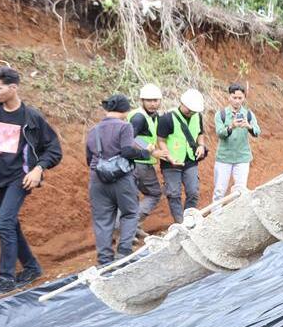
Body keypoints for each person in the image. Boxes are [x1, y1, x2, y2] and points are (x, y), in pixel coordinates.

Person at [0, 67, 62, 296]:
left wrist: (38, 170)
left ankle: (6, 278)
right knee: (11, 224)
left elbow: (53, 149)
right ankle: (31, 267)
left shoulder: (31, 117)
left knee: (3, 224)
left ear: (13, 88)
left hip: (21, 177)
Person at [86, 94, 150, 267]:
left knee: (102, 220)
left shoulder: (94, 130)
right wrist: (145, 153)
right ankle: (123, 254)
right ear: (125, 110)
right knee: (129, 213)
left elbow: (88, 159)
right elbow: (127, 152)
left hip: (97, 179)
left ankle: (104, 261)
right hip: (121, 178)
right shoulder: (125, 126)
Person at [155, 88, 208, 223]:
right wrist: (169, 157)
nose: (191, 113)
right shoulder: (167, 118)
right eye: (189, 109)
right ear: (182, 103)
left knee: (193, 192)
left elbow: (200, 133)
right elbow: (161, 140)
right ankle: (180, 222)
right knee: (173, 194)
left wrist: (201, 145)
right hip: (171, 163)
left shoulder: (197, 116)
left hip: (190, 160)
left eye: (194, 111)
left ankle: (188, 219)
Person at [212, 83, 261, 202]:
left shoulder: (248, 114)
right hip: (224, 157)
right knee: (219, 191)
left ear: (244, 98)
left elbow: (257, 132)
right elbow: (220, 133)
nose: (237, 101)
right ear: (229, 97)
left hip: (242, 158)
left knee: (240, 191)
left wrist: (248, 126)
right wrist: (231, 126)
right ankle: (216, 217)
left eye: (240, 98)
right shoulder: (221, 114)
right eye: (234, 98)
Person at [129, 83, 167, 232]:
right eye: (149, 100)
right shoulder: (139, 117)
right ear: (142, 101)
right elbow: (131, 138)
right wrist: (151, 151)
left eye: (155, 100)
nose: (153, 104)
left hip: (135, 162)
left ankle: (125, 228)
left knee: (131, 197)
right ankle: (131, 225)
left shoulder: (152, 116)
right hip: (140, 162)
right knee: (154, 193)